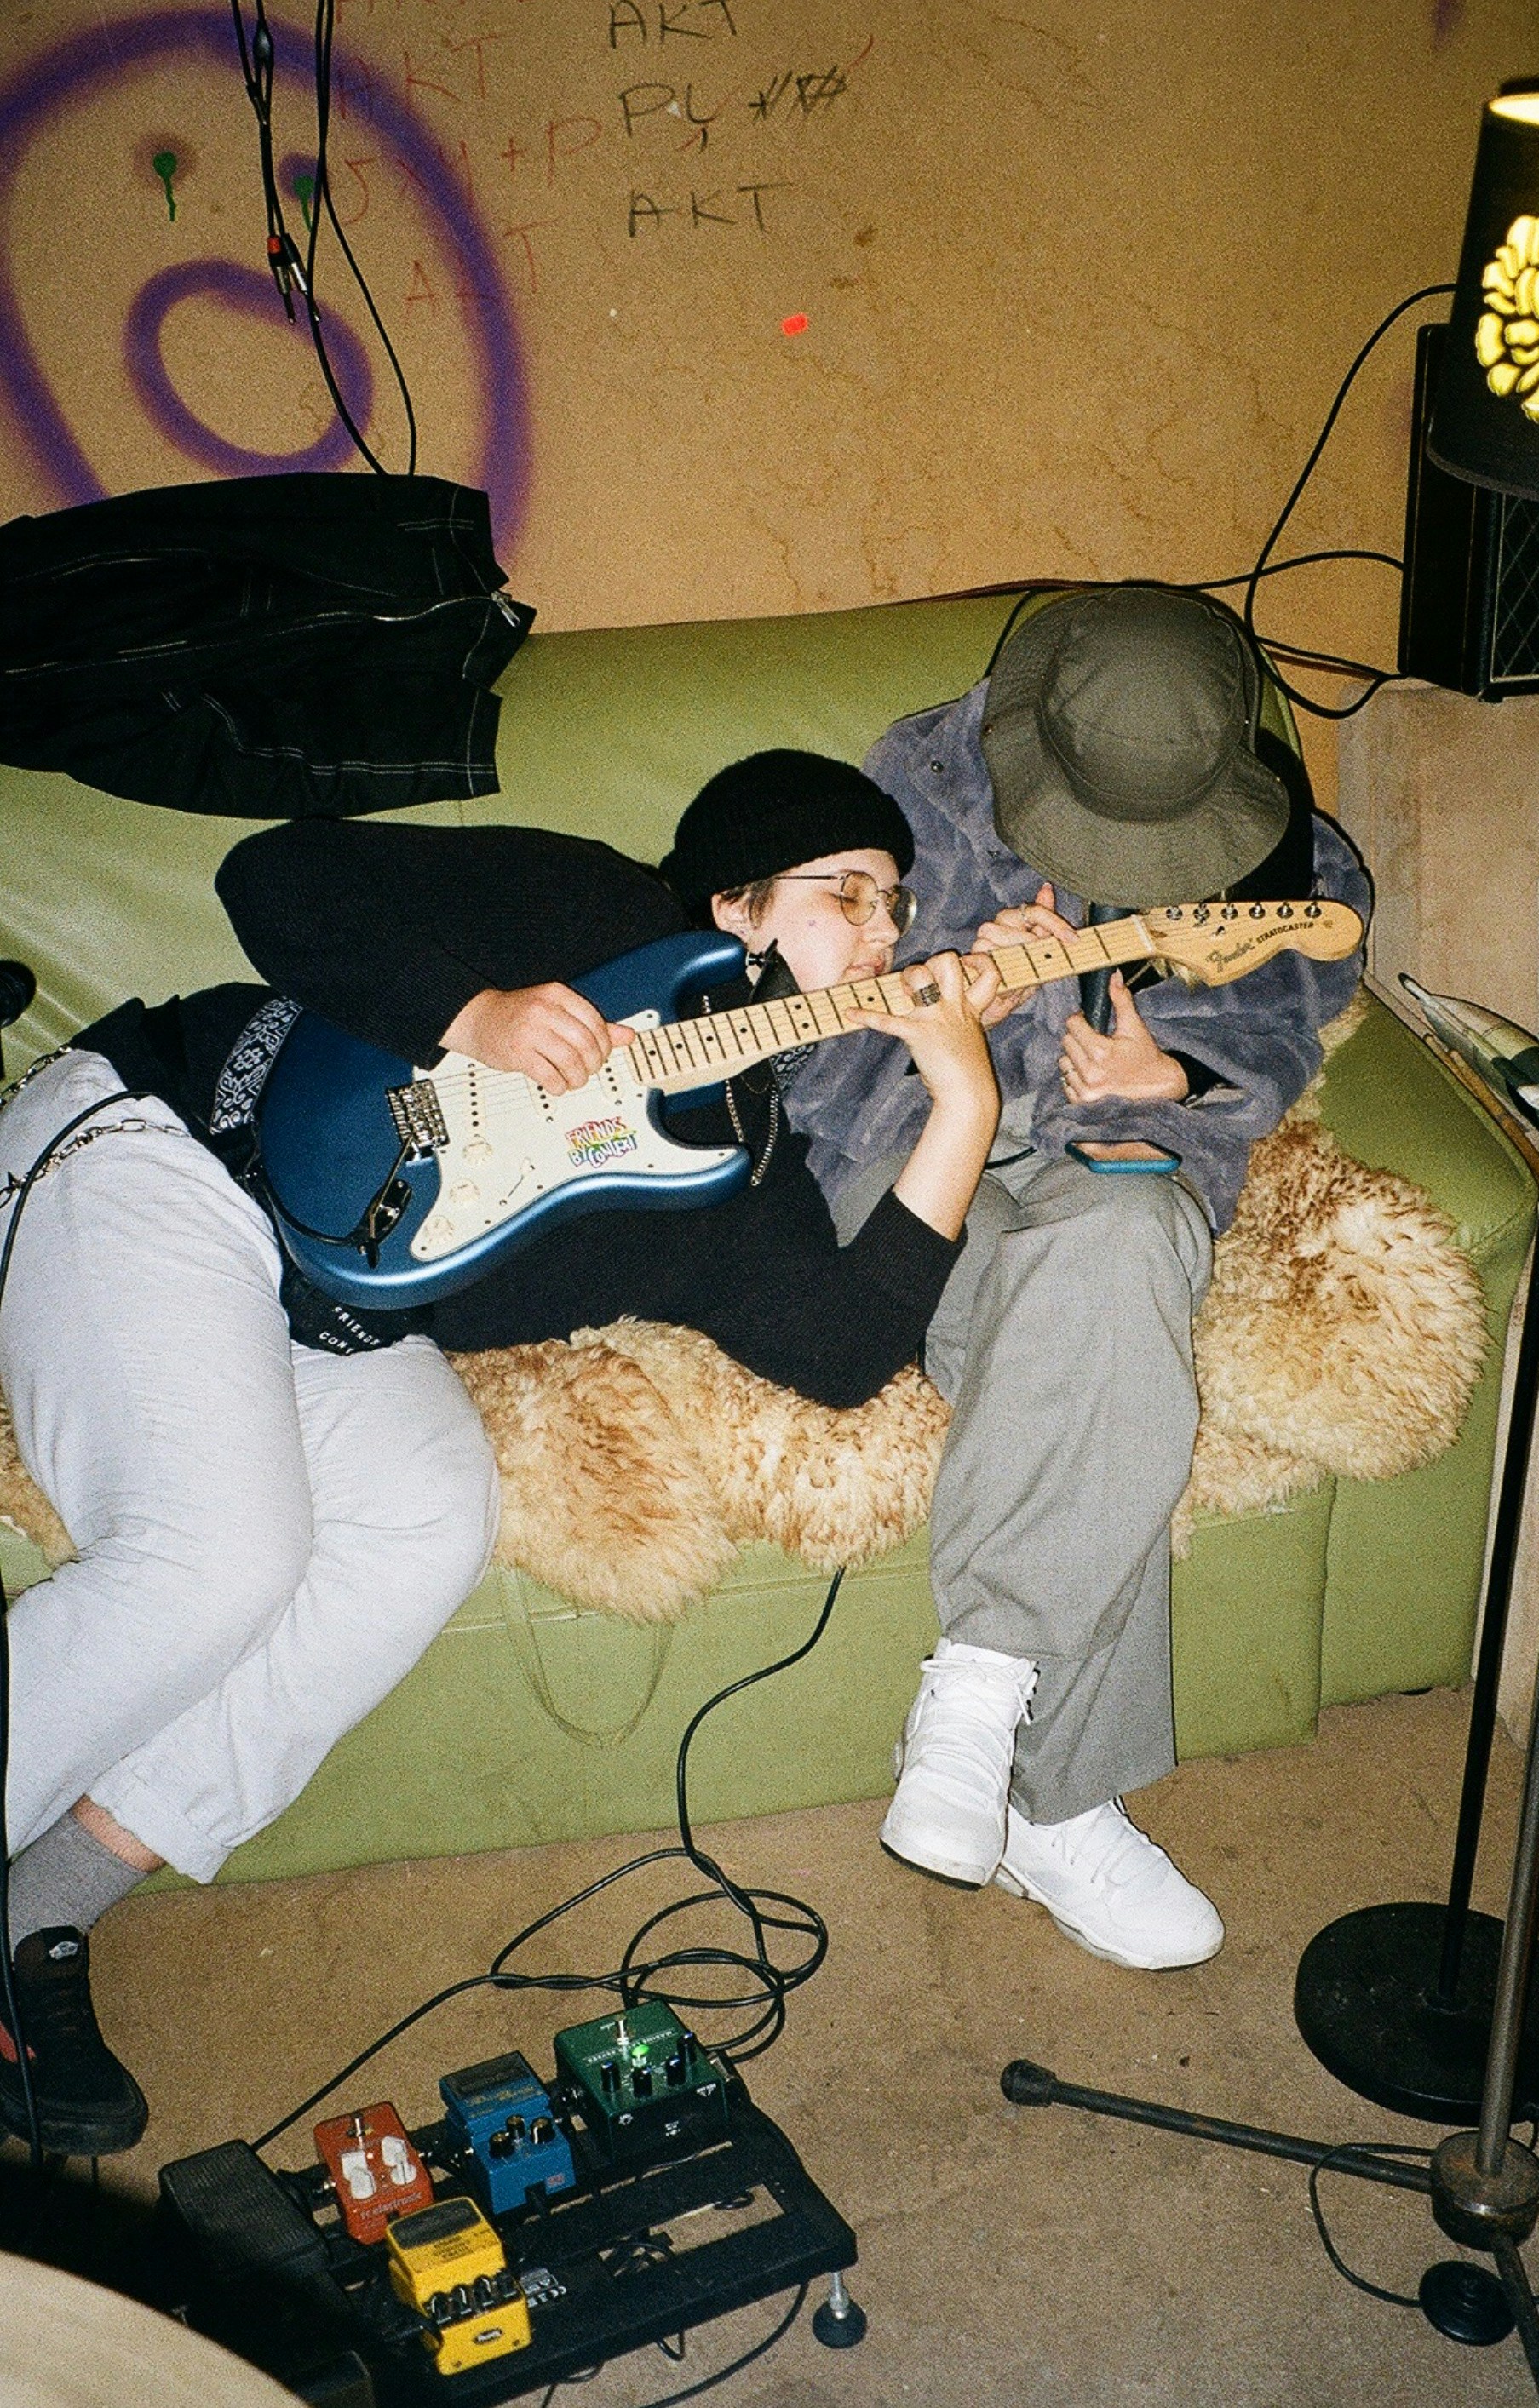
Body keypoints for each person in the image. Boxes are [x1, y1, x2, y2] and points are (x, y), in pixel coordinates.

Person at [0, 751, 1000, 2156]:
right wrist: (474, 1011)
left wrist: (963, 1102)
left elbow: (837, 1354)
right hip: (166, 1147)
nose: (887, 934)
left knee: (425, 1523)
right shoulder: (585, 911)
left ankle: (37, 1907)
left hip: (331, 1316)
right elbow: (274, 875)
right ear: (738, 902)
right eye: (851, 895)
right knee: (218, 1559)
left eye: (898, 909)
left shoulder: (738, 1155)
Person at [772, 584, 1374, 1971]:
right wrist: (951, 1004)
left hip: (1110, 1168)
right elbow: (789, 1033)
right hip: (913, 1151)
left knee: (1116, 1258)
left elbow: (1291, 1014)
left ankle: (979, 1695)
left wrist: (1182, 1075)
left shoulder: (1288, 851)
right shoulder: (901, 791)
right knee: (1094, 1369)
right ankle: (1064, 1798)